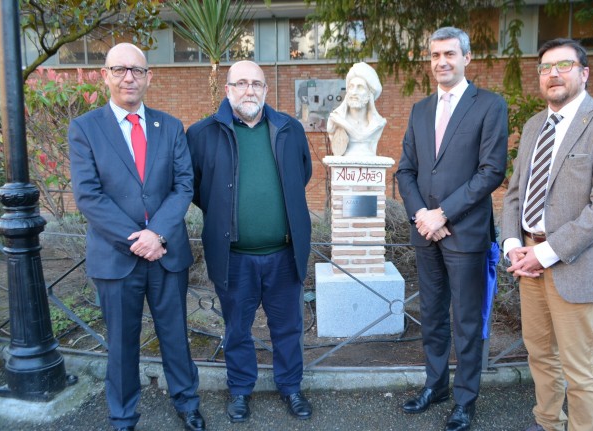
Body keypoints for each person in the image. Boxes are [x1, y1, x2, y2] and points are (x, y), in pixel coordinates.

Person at [68, 43, 204, 431]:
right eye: (120, 69)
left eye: (137, 70)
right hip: (117, 258)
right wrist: (136, 239)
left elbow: (183, 186)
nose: (129, 77)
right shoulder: (85, 128)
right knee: (123, 345)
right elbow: (88, 196)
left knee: (175, 336)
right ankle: (123, 415)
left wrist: (157, 233)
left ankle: (187, 402)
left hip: (167, 253)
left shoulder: (170, 126)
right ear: (105, 75)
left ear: (149, 77)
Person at [501, 38, 593, 431]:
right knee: (539, 354)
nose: (553, 74)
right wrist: (512, 246)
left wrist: (545, 253)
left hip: (575, 263)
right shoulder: (532, 127)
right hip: (527, 259)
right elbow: (514, 194)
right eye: (545, 67)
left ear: (584, 72)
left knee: (579, 367)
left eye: (563, 65)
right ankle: (547, 422)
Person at [186, 60, 313, 423]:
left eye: (256, 84)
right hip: (234, 256)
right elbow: (196, 187)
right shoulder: (202, 133)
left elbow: (300, 174)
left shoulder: (289, 129)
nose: (249, 90)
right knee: (237, 329)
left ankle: (291, 387)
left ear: (266, 90)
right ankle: (241, 389)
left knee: (287, 328)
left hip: (284, 253)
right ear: (227, 90)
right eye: (240, 83)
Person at [396, 27, 508, 431]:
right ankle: (436, 385)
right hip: (426, 233)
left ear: (467, 58)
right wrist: (423, 216)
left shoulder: (489, 106)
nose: (441, 61)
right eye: (434, 55)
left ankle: (465, 400)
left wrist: (444, 213)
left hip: (465, 234)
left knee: (465, 320)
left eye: (449, 54)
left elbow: (491, 171)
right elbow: (405, 170)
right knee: (432, 316)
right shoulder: (419, 109)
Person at [327, 62, 387, 157]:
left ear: (370, 93)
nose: (354, 92)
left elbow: (360, 137)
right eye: (351, 87)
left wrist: (343, 123)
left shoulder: (378, 123)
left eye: (360, 87)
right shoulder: (335, 119)